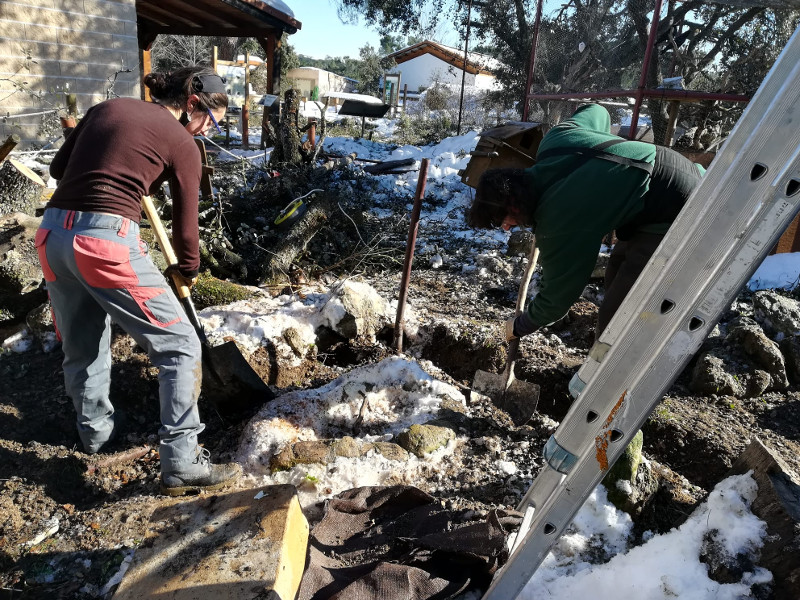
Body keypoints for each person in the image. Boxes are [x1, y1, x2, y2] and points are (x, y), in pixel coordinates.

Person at [36, 66, 239, 496]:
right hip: (104, 242)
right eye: (210, 121)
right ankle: (183, 462)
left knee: (83, 342)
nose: (207, 131)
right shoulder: (183, 143)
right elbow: (187, 231)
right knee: (181, 345)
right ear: (191, 104)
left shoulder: (106, 108)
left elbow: (57, 169)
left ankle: (95, 434)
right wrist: (188, 269)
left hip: (52, 235)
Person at [467, 103, 705, 343]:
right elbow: (596, 110)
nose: (506, 228)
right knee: (617, 267)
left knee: (617, 316)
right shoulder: (555, 141)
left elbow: (557, 298)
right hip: (669, 168)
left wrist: (519, 326)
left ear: (514, 206)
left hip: (679, 206)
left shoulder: (558, 220)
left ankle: (606, 377)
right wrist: (604, 170)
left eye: (502, 221)